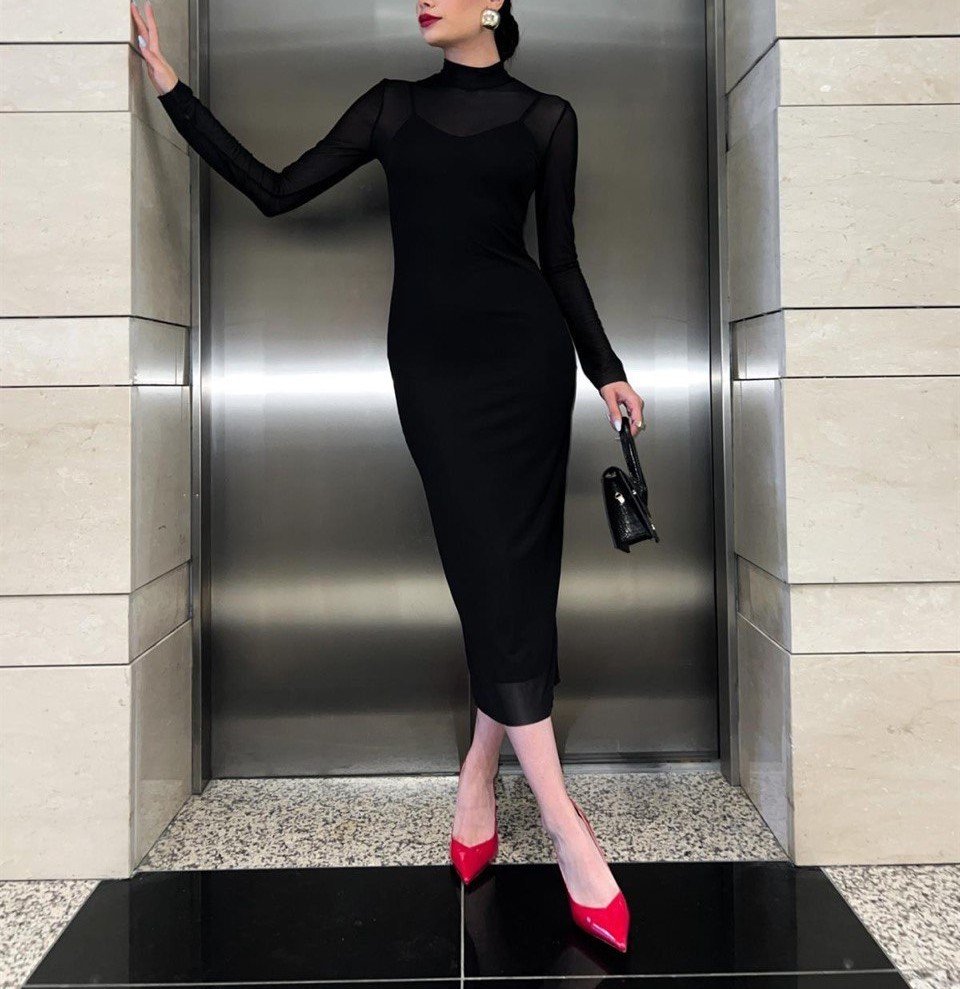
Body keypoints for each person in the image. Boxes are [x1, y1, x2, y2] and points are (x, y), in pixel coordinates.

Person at [132, 0, 644, 953]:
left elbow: (561, 261)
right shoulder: (392, 108)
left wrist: (605, 369)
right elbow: (275, 191)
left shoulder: (548, 118)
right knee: (489, 573)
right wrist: (173, 91)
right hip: (437, 374)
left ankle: (480, 777)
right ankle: (565, 822)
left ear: (494, 5)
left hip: (528, 366)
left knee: (516, 579)